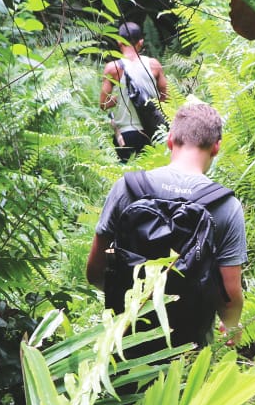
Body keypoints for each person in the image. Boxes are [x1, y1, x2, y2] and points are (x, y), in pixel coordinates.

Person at [86, 101, 246, 350]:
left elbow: (94, 271)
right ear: (216, 148)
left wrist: (123, 300)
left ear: (170, 140)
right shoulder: (225, 206)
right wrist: (232, 326)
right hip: (188, 344)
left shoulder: (127, 188)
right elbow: (230, 294)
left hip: (126, 338)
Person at [98, 21, 168, 162]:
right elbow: (167, 98)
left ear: (119, 42)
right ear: (141, 42)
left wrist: (117, 99)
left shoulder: (113, 68)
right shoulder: (154, 65)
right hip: (153, 133)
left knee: (126, 178)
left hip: (126, 135)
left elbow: (103, 104)